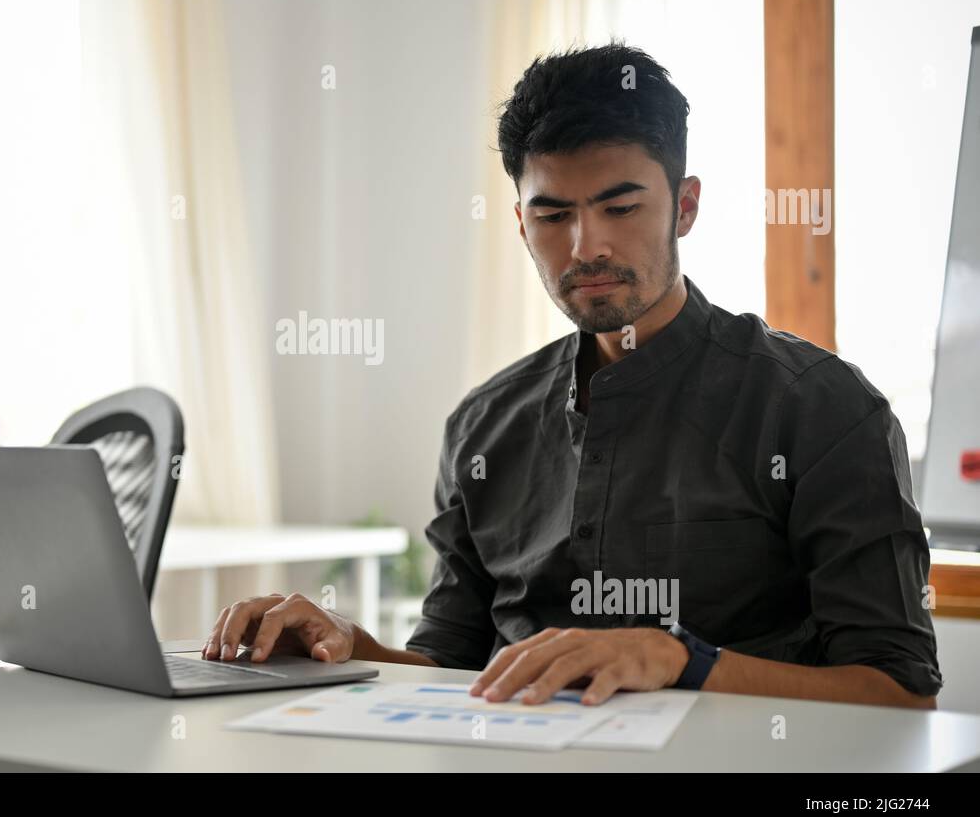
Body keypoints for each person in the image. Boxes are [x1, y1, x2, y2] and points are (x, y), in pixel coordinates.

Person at [201, 44, 941, 710]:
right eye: (553, 216)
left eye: (620, 206)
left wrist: (679, 660)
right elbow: (445, 667)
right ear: (522, 225)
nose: (587, 247)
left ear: (685, 208)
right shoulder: (483, 425)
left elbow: (897, 692)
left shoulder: (821, 408)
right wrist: (344, 646)